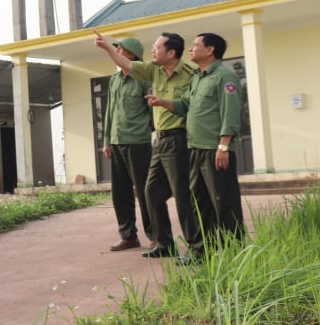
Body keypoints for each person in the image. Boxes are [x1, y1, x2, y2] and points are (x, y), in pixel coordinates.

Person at [94, 29, 199, 259]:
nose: (153, 49)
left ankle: (194, 246)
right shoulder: (148, 72)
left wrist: (164, 106)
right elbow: (111, 108)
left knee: (179, 194)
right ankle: (160, 243)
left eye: (157, 47)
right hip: (149, 140)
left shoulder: (186, 75)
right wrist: (106, 47)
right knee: (145, 192)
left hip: (165, 139)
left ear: (171, 52)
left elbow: (187, 106)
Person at [147, 32, 245, 263]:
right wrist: (162, 102)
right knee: (200, 205)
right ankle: (202, 253)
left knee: (224, 204)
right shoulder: (198, 78)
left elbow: (230, 114)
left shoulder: (225, 76)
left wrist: (223, 146)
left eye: (195, 45)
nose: (190, 49)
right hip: (195, 149)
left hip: (215, 150)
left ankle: (236, 256)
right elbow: (186, 105)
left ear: (210, 50)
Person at [100, 36, 155, 252]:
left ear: (131, 54)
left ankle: (154, 236)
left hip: (139, 143)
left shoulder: (143, 80)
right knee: (120, 193)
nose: (117, 51)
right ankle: (128, 236)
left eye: (120, 48)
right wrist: (106, 140)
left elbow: (153, 112)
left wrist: (144, 131)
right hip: (116, 143)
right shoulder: (114, 80)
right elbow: (110, 112)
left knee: (145, 192)